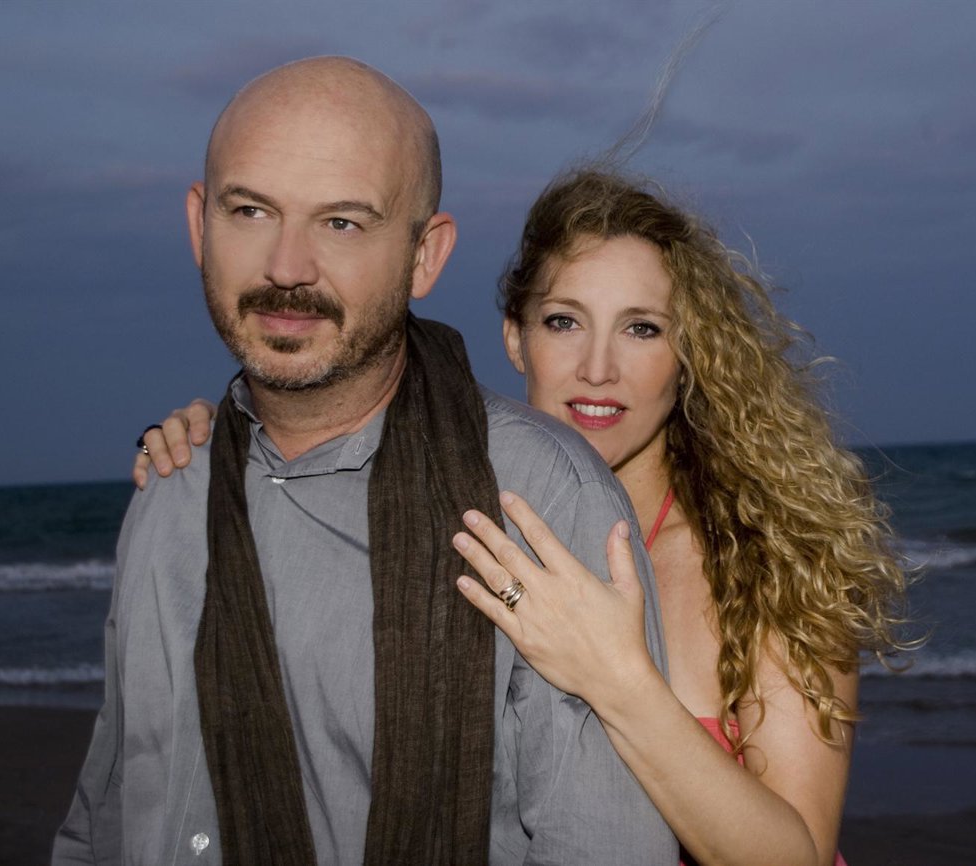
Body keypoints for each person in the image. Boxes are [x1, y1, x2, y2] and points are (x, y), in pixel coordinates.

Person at [136, 170, 911, 865]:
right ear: (515, 338)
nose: (598, 368)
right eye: (564, 322)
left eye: (642, 328)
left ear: (689, 357)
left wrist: (619, 679)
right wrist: (221, 446)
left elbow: (797, 856)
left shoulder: (766, 561)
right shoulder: (448, 519)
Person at [55, 58, 678, 866]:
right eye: (251, 211)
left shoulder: (537, 498)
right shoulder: (172, 487)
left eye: (343, 223)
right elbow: (106, 812)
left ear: (425, 255)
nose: (287, 267)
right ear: (199, 225)